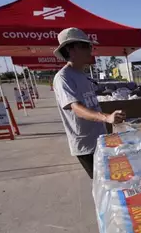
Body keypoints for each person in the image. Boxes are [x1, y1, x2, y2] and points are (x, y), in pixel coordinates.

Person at [53, 27, 125, 179]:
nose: (90, 50)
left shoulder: (82, 74)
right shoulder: (63, 78)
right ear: (70, 50)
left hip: (100, 138)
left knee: (114, 179)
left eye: (89, 46)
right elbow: (76, 108)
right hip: (86, 146)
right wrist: (106, 118)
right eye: (84, 46)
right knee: (103, 184)